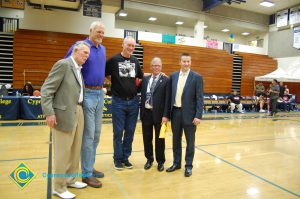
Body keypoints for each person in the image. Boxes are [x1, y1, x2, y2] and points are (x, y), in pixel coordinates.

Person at [41, 41, 90, 199]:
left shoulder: (78, 69)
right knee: (63, 152)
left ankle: (70, 179)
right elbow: (47, 89)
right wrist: (49, 113)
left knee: (75, 150)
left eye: (87, 54)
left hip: (78, 110)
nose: (86, 57)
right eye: (84, 53)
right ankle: (59, 187)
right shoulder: (63, 64)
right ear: (75, 51)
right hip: (64, 113)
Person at [65, 21, 106, 188]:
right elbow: (68, 64)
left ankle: (89, 165)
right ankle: (86, 174)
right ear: (90, 31)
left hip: (99, 94)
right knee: (88, 135)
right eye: (98, 32)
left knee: (96, 134)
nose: (101, 35)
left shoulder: (102, 49)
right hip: (87, 94)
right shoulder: (80, 46)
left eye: (103, 32)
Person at [105, 36, 143, 170]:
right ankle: (117, 158)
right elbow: (106, 74)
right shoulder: (113, 60)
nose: (131, 48)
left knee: (130, 131)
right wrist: (115, 82)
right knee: (118, 131)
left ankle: (125, 158)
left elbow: (140, 77)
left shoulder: (135, 61)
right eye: (129, 45)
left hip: (133, 102)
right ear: (123, 45)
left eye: (133, 46)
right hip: (118, 102)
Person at [164, 53, 203, 177]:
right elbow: (169, 97)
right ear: (179, 62)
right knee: (176, 140)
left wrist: (198, 115)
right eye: (184, 61)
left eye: (188, 61)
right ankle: (176, 163)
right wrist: (166, 114)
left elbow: (199, 98)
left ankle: (188, 166)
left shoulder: (197, 77)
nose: (186, 63)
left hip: (190, 115)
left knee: (190, 142)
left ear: (190, 63)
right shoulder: (173, 76)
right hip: (175, 113)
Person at [140, 57, 168, 172]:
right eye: (154, 65)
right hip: (146, 113)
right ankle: (149, 159)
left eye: (158, 66)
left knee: (160, 139)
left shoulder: (166, 80)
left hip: (161, 117)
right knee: (147, 139)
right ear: (151, 67)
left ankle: (160, 161)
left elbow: (168, 99)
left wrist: (166, 115)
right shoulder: (145, 80)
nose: (156, 67)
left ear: (161, 67)